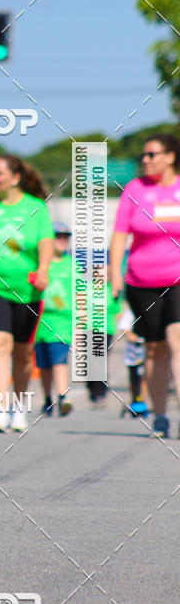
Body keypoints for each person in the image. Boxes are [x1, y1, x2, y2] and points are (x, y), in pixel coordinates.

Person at [0, 155, 54, 432]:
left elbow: (45, 242)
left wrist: (43, 269)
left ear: (15, 177)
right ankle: (0, 410)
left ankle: (19, 407)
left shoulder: (36, 208)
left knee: (24, 354)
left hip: (28, 291)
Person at [111, 134, 180, 439]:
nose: (145, 160)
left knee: (176, 338)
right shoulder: (135, 189)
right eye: (144, 155)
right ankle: (161, 415)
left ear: (170, 157)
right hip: (141, 282)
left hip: (178, 278)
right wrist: (115, 274)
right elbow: (119, 234)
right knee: (154, 348)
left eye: (152, 155)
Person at [34, 222, 74, 417]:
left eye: (65, 237)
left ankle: (63, 396)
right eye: (58, 236)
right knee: (44, 364)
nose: (62, 240)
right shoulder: (41, 263)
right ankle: (47, 399)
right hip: (40, 320)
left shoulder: (72, 265)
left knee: (59, 359)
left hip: (62, 321)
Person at [86, 265, 121, 406]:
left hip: (106, 330)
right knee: (90, 360)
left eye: (107, 274)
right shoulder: (87, 289)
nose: (103, 276)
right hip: (88, 328)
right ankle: (92, 387)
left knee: (101, 359)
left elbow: (117, 312)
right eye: (101, 273)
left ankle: (100, 391)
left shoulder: (112, 291)